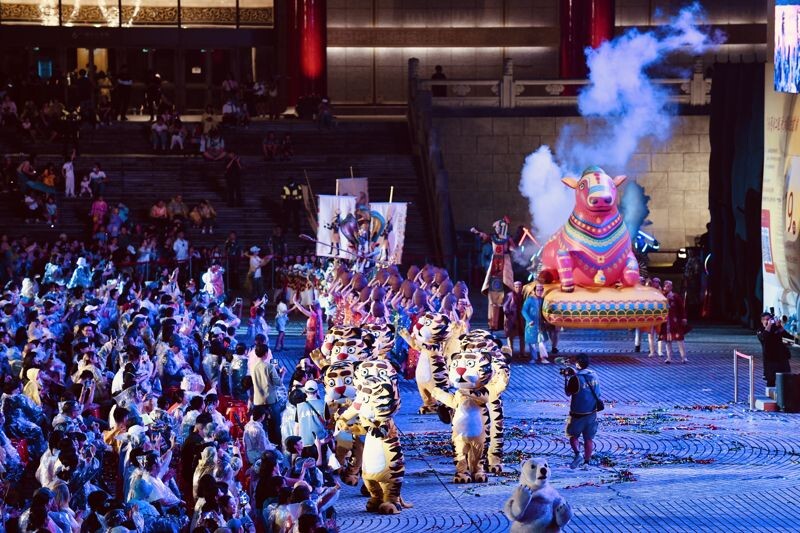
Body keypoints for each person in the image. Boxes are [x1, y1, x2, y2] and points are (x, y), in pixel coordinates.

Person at [564, 353, 601, 469]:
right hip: (592, 412)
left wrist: (566, 379)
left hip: (578, 414)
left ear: (578, 364)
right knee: (588, 438)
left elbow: (568, 393)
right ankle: (586, 462)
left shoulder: (575, 379)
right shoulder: (594, 374)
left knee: (573, 435)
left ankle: (577, 454)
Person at [758, 312, 793, 387]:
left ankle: (785, 396)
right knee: (771, 381)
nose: (768, 321)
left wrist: (780, 327)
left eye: (770, 319)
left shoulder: (776, 328)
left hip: (782, 358)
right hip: (770, 360)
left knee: (786, 379)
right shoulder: (760, 330)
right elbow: (764, 338)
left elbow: (788, 337)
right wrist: (769, 325)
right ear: (762, 321)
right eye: (766, 320)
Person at [659, 280, 688, 364]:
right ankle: (669, 358)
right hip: (666, 322)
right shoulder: (662, 297)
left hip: (675, 322)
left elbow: (681, 308)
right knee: (667, 340)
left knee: (679, 339)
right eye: (665, 286)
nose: (666, 288)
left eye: (668, 286)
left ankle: (683, 357)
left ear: (671, 287)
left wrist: (684, 317)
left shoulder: (675, 296)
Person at [521, 282, 550, 364]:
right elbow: (524, 311)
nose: (540, 291)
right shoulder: (529, 300)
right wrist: (529, 320)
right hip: (531, 324)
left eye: (541, 290)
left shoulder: (543, 300)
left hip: (541, 324)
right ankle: (533, 358)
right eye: (538, 290)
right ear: (534, 290)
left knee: (542, 341)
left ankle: (543, 358)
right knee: (532, 342)